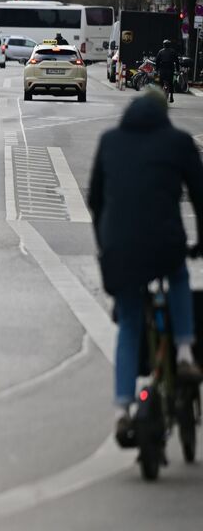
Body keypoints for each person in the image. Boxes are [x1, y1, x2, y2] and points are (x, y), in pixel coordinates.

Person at [88, 88, 203, 440]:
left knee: (130, 325)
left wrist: (105, 247)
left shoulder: (110, 141)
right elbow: (200, 195)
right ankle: (184, 352)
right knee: (179, 276)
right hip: (164, 244)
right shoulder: (180, 142)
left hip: (118, 250)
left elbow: (94, 200)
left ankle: (123, 409)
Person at [155, 39, 180, 103]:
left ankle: (159, 96)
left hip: (162, 70)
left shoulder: (160, 51)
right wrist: (177, 70)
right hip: (170, 70)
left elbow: (157, 61)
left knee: (161, 83)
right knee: (171, 83)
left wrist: (156, 69)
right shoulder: (173, 51)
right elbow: (177, 61)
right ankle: (171, 96)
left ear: (163, 45)